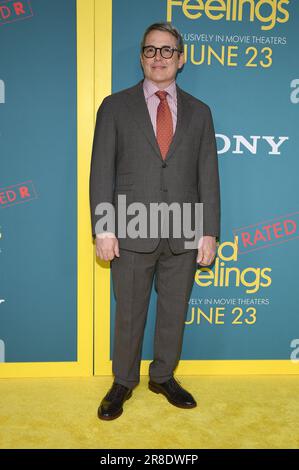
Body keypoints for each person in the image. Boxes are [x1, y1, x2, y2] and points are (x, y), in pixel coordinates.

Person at [89, 22, 220, 421]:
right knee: (129, 312)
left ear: (181, 59)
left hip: (184, 230)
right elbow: (101, 173)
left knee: (173, 310)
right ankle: (123, 381)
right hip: (129, 229)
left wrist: (209, 231)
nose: (158, 58)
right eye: (150, 50)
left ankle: (163, 376)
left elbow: (208, 176)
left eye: (167, 51)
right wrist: (104, 228)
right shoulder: (114, 106)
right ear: (141, 57)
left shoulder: (200, 112)